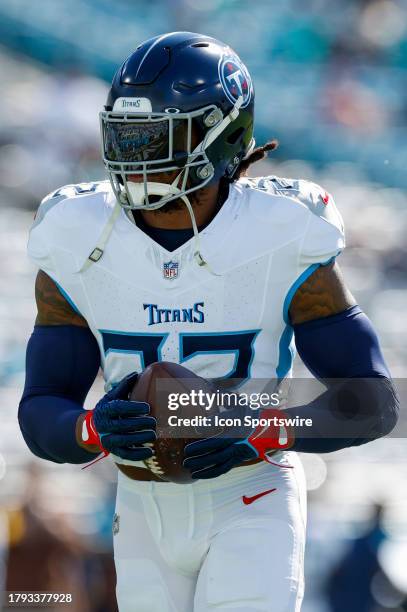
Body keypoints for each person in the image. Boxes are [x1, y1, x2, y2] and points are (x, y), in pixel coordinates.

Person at [19, 32, 398, 612]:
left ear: (222, 135)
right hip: (139, 506)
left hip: (252, 496)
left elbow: (372, 400)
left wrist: (260, 428)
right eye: (125, 137)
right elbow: (43, 406)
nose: (135, 157)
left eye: (156, 137)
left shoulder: (281, 230)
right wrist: (92, 429)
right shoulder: (76, 234)